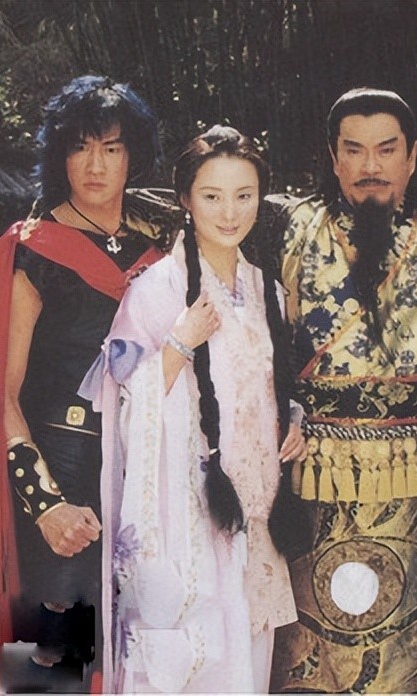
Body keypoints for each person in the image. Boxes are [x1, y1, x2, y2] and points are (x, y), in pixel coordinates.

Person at [0, 75, 171, 691]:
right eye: (80, 147)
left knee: (143, 656)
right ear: (60, 155)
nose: (96, 165)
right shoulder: (33, 249)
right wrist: (45, 504)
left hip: (144, 473)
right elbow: (1, 396)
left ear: (134, 155)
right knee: (59, 668)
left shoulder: (160, 252)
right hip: (64, 472)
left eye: (111, 147)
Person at [80, 124, 306, 692]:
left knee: (248, 662)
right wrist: (179, 344)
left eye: (244, 195)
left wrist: (293, 422)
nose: (229, 212)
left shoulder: (267, 290)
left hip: (255, 504)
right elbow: (121, 405)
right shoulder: (156, 289)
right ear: (185, 198)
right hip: (191, 509)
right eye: (212, 195)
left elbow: (270, 384)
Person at [269, 88, 417, 693]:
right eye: (354, 150)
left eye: (386, 149)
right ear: (333, 157)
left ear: (413, 157)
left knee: (406, 634)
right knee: (314, 636)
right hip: (312, 464)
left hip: (412, 467)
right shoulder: (294, 228)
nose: (370, 165)